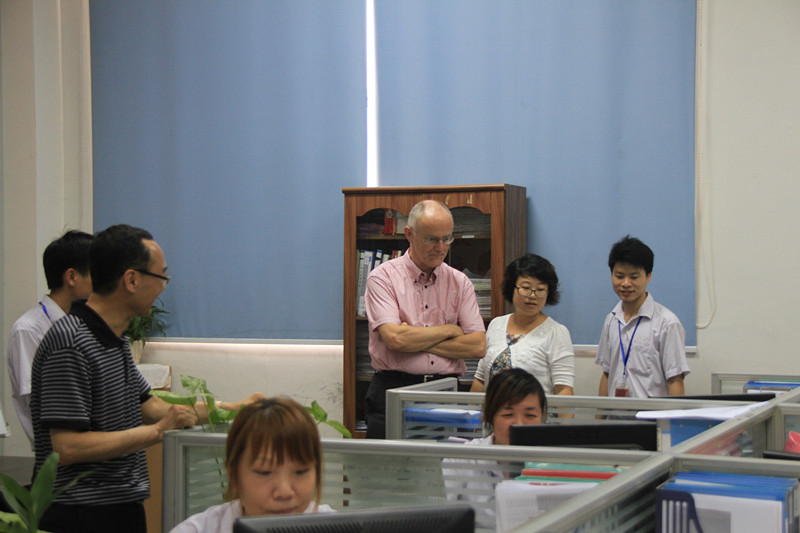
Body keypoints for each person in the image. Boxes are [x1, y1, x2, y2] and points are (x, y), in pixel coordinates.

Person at [31, 224, 262, 533]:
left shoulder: (116, 341)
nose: (164, 287)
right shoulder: (70, 341)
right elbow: (67, 447)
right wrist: (156, 432)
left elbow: (153, 407)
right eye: (161, 276)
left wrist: (235, 408)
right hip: (79, 514)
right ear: (131, 279)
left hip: (122, 507)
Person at [363, 200, 486, 439]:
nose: (440, 247)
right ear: (409, 234)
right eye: (432, 239)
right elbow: (396, 340)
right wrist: (450, 330)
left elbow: (477, 346)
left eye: (447, 239)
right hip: (394, 389)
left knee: (443, 463)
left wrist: (413, 338)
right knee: (388, 463)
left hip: (445, 393)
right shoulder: (383, 278)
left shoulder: (460, 282)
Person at [171, 397, 335, 532]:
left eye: (300, 471)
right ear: (233, 473)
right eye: (264, 472)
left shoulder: (335, 527)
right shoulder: (199, 530)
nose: (284, 492)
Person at [6, 230, 94, 448]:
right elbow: (37, 403)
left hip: (87, 449)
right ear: (71, 277)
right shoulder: (28, 329)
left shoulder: (82, 324)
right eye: (96, 272)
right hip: (57, 453)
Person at [444, 368, 547, 529]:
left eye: (530, 415)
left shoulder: (553, 463)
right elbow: (438, 518)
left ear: (542, 418)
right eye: (508, 415)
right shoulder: (462, 460)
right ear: (490, 416)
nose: (519, 424)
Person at [595, 235, 690, 398]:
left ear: (648, 276)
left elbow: (675, 380)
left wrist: (674, 415)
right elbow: (606, 373)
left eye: (634, 277)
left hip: (651, 414)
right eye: (619, 276)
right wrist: (600, 414)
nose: (626, 283)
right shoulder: (611, 320)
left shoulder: (667, 323)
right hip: (615, 412)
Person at [471, 254, 574, 396]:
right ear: (512, 288)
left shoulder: (556, 332)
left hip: (536, 410)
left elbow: (563, 389)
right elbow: (480, 379)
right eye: (526, 287)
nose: (532, 295)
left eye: (540, 289)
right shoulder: (496, 324)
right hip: (494, 410)